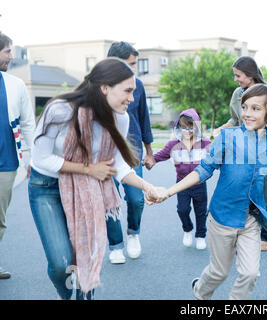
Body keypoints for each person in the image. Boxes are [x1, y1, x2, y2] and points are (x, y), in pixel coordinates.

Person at [148, 84, 267, 300]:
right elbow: (203, 170)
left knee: (250, 273)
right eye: (245, 107)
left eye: (256, 108)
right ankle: (200, 292)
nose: (247, 113)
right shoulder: (228, 137)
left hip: (251, 220)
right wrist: (168, 192)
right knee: (218, 272)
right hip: (222, 218)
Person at [28, 58, 159, 299]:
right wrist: (89, 169)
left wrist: (146, 185)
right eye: (128, 91)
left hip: (88, 190)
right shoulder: (60, 109)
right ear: (105, 88)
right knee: (61, 264)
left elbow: (117, 164)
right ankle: (65, 294)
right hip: (46, 188)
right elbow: (41, 158)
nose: (132, 98)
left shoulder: (120, 118)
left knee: (82, 260)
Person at [214, 56, 267, 251]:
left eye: (238, 75)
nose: (236, 79)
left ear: (249, 75)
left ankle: (266, 236)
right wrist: (222, 128)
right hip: (241, 153)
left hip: (265, 152)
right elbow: (235, 119)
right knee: (241, 193)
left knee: (265, 195)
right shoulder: (237, 94)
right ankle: (243, 234)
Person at [106, 41, 155, 264]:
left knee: (136, 199)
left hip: (132, 150)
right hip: (106, 152)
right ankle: (115, 245)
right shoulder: (100, 86)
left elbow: (144, 117)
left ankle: (133, 233)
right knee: (110, 200)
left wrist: (150, 151)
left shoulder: (138, 85)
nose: (133, 70)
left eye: (135, 65)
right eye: (129, 65)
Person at [0, 32, 35, 279]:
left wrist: (32, 158)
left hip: (6, 164)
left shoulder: (15, 85)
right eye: (7, 51)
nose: (11, 57)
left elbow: (28, 124)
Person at [151, 109, 211, 250]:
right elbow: (159, 156)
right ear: (178, 127)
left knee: (201, 211)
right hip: (182, 183)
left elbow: (217, 157)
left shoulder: (205, 143)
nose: (188, 131)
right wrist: (148, 161)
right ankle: (187, 229)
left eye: (191, 127)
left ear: (196, 127)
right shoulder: (173, 145)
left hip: (199, 183)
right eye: (184, 127)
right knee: (182, 210)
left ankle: (201, 235)